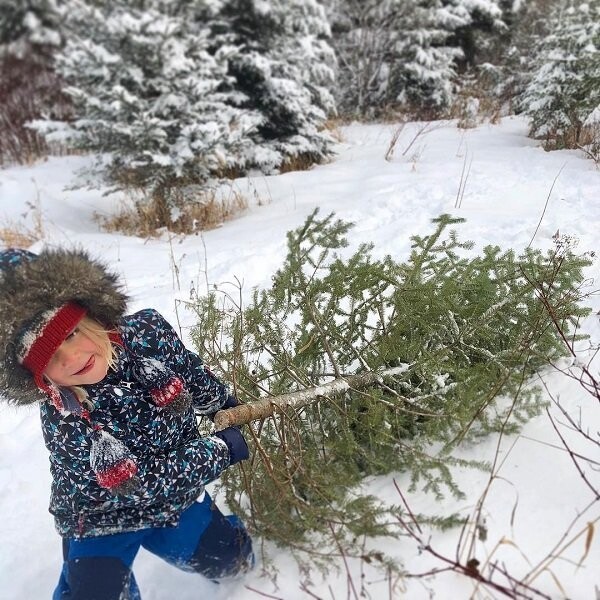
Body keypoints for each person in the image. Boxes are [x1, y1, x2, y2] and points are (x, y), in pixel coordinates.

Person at [0, 247, 253, 600]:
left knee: (232, 561)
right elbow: (139, 484)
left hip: (176, 502)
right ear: (39, 378)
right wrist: (221, 450)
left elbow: (191, 374)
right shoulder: (65, 417)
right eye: (51, 357)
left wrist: (223, 406)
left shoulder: (147, 332)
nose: (72, 358)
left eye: (71, 334)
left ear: (89, 315)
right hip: (99, 519)